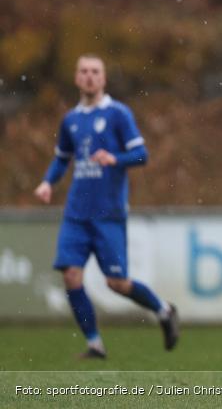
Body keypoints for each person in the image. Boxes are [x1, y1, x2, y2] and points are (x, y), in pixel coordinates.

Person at [33, 54, 178, 359]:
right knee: (71, 275)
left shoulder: (117, 114)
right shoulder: (71, 120)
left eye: (95, 71)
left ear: (103, 78)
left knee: (117, 283)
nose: (89, 76)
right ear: (76, 78)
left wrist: (116, 159)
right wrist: (48, 182)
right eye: (83, 71)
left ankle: (163, 310)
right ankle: (94, 344)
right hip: (76, 214)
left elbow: (142, 155)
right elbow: (62, 157)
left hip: (108, 214)